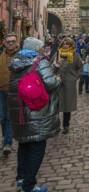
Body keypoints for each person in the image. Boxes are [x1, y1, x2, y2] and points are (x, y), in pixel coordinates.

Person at [8, 37, 61, 192]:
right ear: (36, 48)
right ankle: (29, 186)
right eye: (41, 47)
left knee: (24, 145)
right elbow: (51, 83)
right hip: (37, 112)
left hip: (20, 112)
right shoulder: (40, 61)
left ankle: (21, 179)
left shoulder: (16, 62)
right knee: (37, 148)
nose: (43, 49)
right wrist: (58, 79)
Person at [53, 37, 83, 133]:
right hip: (57, 83)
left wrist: (75, 78)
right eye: (63, 44)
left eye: (68, 44)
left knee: (67, 105)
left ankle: (66, 125)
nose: (65, 45)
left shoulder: (75, 56)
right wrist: (54, 73)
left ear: (71, 45)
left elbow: (80, 68)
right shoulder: (57, 54)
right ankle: (56, 126)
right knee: (56, 105)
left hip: (69, 84)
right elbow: (50, 66)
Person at [0, 33, 20, 155]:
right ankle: (5, 139)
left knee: (8, 117)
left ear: (17, 42)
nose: (11, 44)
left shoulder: (21, 56)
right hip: (1, 90)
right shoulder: (1, 56)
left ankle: (8, 142)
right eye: (8, 41)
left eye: (13, 41)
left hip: (14, 91)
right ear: (4, 43)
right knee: (2, 117)